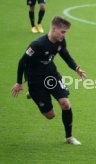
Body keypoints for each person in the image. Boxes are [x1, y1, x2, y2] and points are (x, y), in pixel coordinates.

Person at [11, 16, 87, 145]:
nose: (64, 35)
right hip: (35, 81)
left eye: (66, 32)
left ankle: (69, 137)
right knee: (50, 115)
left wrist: (76, 68)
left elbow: (66, 56)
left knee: (65, 104)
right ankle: (33, 93)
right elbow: (22, 62)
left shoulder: (60, 41)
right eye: (63, 32)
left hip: (52, 76)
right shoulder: (37, 44)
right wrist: (19, 82)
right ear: (54, 28)